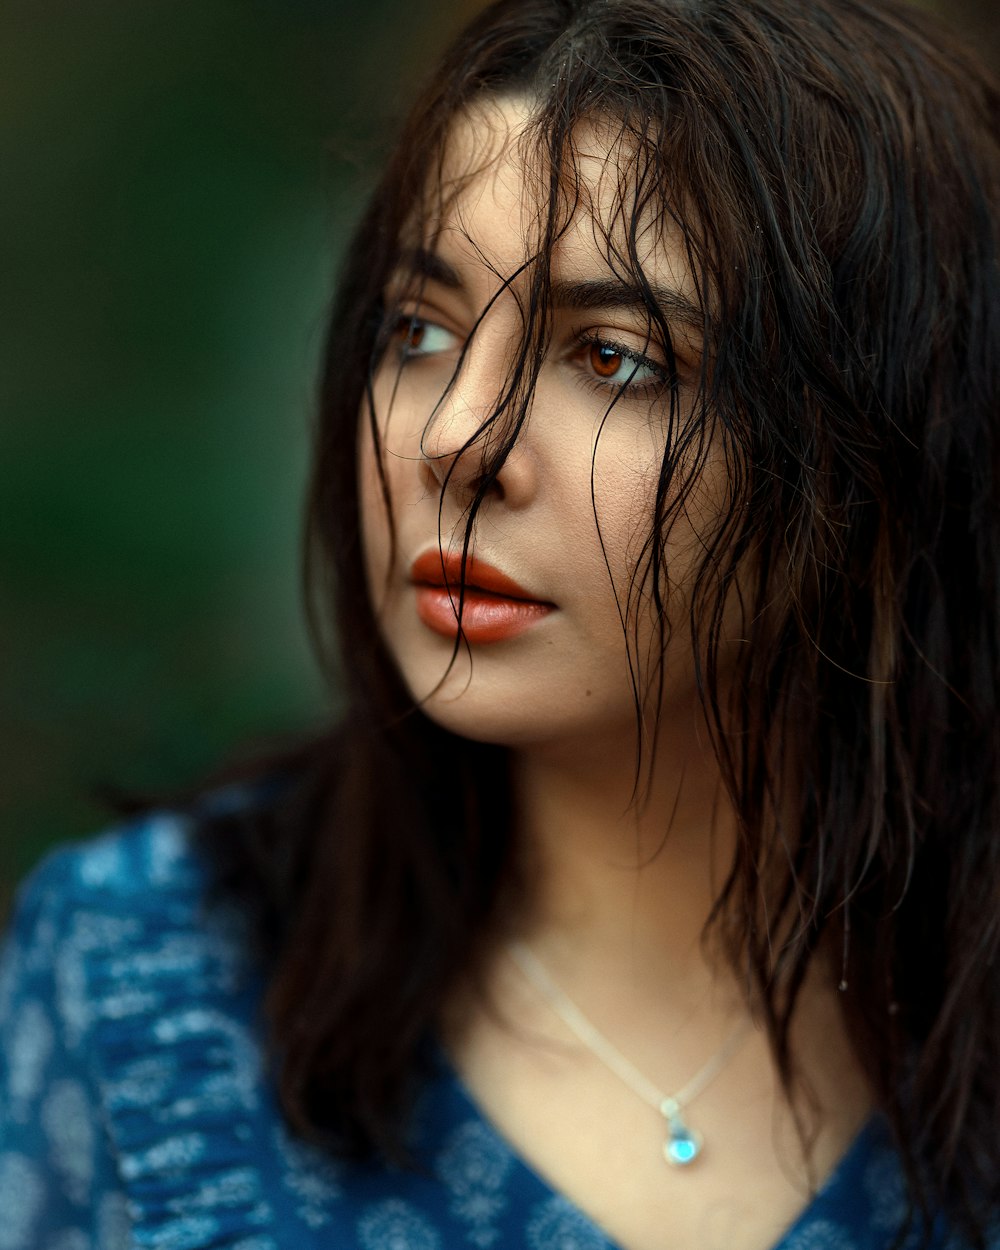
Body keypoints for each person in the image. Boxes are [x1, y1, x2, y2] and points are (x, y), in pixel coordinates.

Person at [2, 0, 999, 1246]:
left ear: (876, 465)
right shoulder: (140, 978)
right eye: (415, 331)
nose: (455, 437)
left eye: (615, 358)